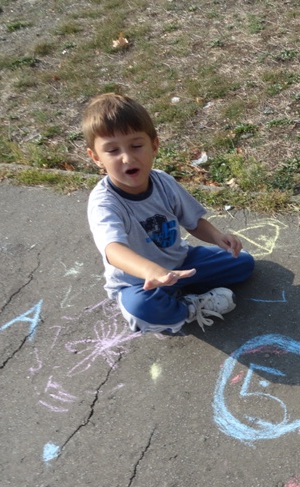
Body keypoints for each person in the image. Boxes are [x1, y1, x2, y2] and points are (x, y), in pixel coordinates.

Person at [82, 93, 255, 333]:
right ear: (96, 157)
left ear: (154, 145)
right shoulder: (104, 202)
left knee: (243, 262)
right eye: (112, 150)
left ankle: (176, 290)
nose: (127, 158)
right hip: (139, 281)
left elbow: (193, 221)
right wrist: (150, 271)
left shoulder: (163, 181)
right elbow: (113, 250)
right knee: (140, 307)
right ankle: (188, 307)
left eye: (136, 146)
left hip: (180, 263)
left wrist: (218, 237)